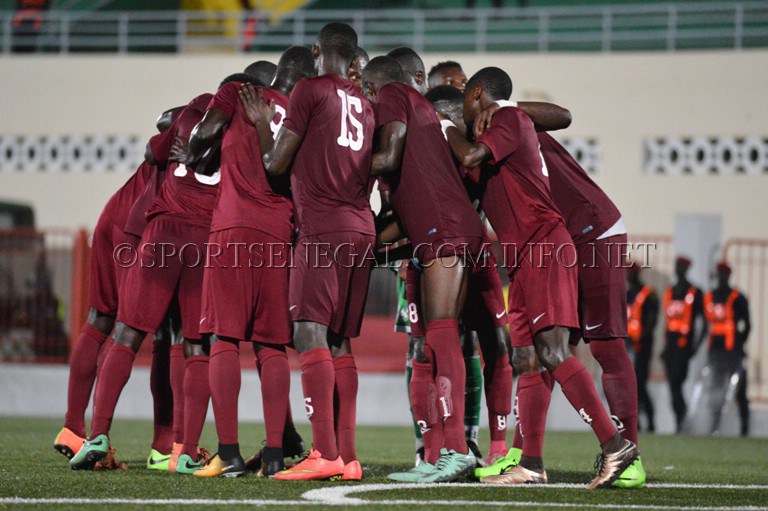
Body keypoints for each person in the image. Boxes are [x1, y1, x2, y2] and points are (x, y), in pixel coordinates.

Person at [442, 66, 636, 489]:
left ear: (477, 94)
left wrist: (445, 126)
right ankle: (530, 464)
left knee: (553, 350)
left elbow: (473, 154)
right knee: (526, 358)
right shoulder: (489, 137)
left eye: (461, 108)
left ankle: (617, 446)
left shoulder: (508, 118)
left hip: (545, 246)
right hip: (522, 258)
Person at [69, 81, 229, 471]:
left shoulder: (191, 115)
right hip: (203, 242)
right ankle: (182, 451)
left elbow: (152, 149)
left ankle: (96, 435)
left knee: (125, 333)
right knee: (193, 345)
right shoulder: (243, 136)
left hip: (159, 235)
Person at [247, 22, 375, 482]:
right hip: (362, 227)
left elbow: (276, 164)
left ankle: (323, 451)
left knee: (307, 332)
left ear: (317, 51)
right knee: (339, 341)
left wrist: (260, 124)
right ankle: (348, 457)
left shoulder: (310, 89)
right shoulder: (366, 102)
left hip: (323, 227)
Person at [187, 47, 314, 479]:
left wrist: (200, 146)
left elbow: (202, 136)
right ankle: (275, 454)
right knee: (271, 345)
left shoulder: (240, 93)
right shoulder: (304, 115)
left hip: (234, 228)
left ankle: (229, 453)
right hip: (279, 234)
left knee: (224, 339)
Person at [364, 55, 487, 483]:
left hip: (446, 232)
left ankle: (457, 451)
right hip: (441, 229)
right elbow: (401, 219)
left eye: (364, 91)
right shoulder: (417, 116)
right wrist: (365, 248)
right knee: (437, 341)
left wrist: (335, 162)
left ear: (374, 86)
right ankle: (440, 455)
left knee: (443, 336)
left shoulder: (394, 96)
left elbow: (387, 156)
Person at [53, 106, 180, 467]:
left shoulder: (202, 115)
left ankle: (73, 428)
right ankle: (161, 445)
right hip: (143, 227)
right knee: (157, 331)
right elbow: (165, 126)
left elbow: (163, 125)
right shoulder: (218, 115)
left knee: (100, 319)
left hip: (116, 214)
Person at [703, 261, 750, 436]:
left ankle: (745, 427)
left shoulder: (737, 297)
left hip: (733, 351)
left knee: (740, 390)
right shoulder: (710, 296)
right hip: (715, 350)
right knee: (716, 389)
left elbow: (747, 324)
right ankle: (714, 426)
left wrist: (739, 343)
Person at [663, 256, 705, 433]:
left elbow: (704, 323)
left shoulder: (695, 292)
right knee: (673, 385)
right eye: (676, 266)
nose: (677, 269)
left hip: (684, 347)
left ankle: (682, 418)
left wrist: (696, 346)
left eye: (681, 266)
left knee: (676, 383)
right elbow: (668, 322)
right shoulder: (670, 291)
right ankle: (680, 420)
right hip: (670, 347)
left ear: (686, 269)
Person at [627, 262, 659, 434]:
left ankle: (651, 420)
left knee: (640, 384)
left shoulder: (648, 294)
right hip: (627, 346)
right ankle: (635, 422)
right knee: (627, 386)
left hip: (642, 346)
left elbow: (652, 321)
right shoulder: (626, 294)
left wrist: (640, 337)